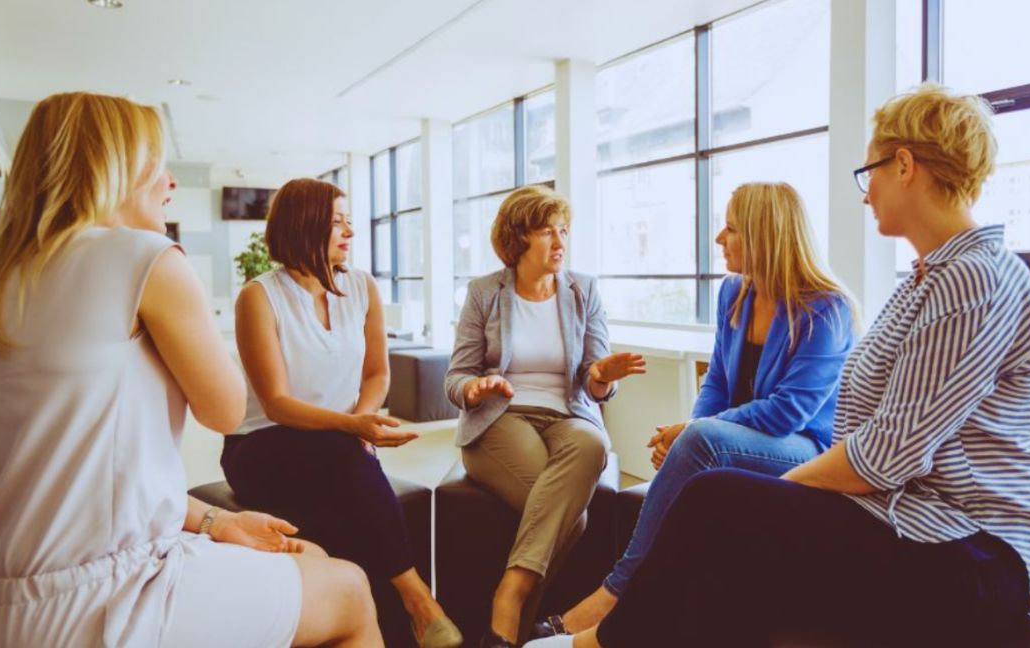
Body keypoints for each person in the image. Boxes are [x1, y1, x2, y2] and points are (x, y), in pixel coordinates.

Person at [526, 84, 1030, 648]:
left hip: (973, 551)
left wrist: (776, 491)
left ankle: (596, 640)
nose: (865, 193)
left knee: (715, 499)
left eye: (870, 172)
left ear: (905, 165)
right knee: (723, 524)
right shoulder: (926, 281)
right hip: (911, 521)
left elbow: (883, 454)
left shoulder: (973, 278)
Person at [0, 92, 382, 647]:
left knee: (310, 556)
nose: (170, 184)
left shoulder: (2, 277)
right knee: (349, 589)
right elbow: (225, 408)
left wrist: (217, 522)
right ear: (115, 169)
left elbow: (74, 473)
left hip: (9, 603)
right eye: (157, 165)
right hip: (111, 599)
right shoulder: (143, 256)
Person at [548, 182, 857, 637]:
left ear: (763, 235)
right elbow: (716, 381)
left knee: (699, 442)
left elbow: (788, 413)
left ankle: (613, 596)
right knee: (696, 444)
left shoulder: (826, 310)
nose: (719, 239)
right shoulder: (734, 293)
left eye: (730, 229)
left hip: (806, 451)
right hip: (740, 440)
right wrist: (690, 432)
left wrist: (693, 432)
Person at [222, 178, 462, 648]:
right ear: (305, 225)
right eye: (337, 221)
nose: (350, 230)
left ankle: (380, 627)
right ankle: (417, 599)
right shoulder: (259, 296)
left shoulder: (361, 287)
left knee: (346, 486)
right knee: (345, 461)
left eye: (348, 219)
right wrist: (354, 427)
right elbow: (276, 402)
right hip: (261, 444)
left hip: (336, 447)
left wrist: (362, 423)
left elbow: (377, 374)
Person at [445, 185, 647, 648]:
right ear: (517, 239)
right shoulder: (484, 293)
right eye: (546, 231)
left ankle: (506, 608)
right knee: (568, 517)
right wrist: (475, 388)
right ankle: (514, 607)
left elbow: (593, 380)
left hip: (569, 414)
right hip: (502, 417)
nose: (560, 242)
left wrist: (603, 377)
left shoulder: (583, 289)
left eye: (564, 231)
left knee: (593, 444)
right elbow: (456, 377)